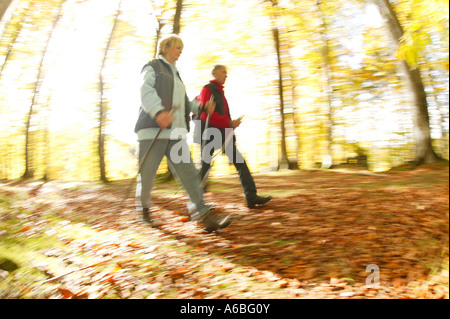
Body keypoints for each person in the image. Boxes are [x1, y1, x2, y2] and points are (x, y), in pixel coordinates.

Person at [134, 35, 232, 232]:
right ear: (166, 47)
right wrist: (159, 112)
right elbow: (145, 91)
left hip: (176, 133)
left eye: (181, 48)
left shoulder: (177, 75)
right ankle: (144, 211)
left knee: (188, 173)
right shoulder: (153, 67)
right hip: (153, 132)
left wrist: (202, 106)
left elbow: (185, 103)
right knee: (147, 177)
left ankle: (202, 213)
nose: (180, 51)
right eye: (178, 47)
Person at [197, 65, 272, 209]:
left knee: (240, 163)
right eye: (224, 72)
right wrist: (229, 123)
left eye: (226, 72)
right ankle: (196, 202)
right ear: (215, 73)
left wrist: (230, 126)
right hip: (209, 133)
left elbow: (222, 116)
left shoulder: (220, 93)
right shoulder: (208, 89)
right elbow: (207, 114)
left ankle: (251, 197)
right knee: (205, 167)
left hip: (223, 134)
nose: (226, 75)